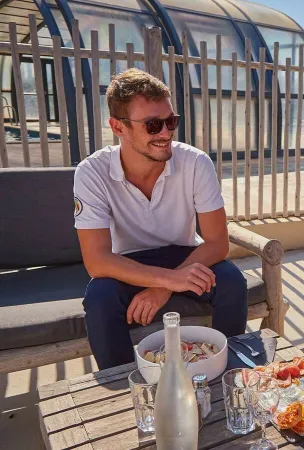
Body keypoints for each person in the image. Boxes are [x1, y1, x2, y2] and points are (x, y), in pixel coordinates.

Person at [74, 68, 247, 369]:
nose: (166, 133)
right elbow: (98, 261)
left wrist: (164, 287)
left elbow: (217, 243)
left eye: (171, 121)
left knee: (232, 279)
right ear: (118, 127)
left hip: (183, 253)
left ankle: (228, 373)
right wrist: (169, 279)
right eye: (153, 125)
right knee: (100, 296)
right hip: (129, 261)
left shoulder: (195, 162)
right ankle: (125, 383)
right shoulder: (92, 172)